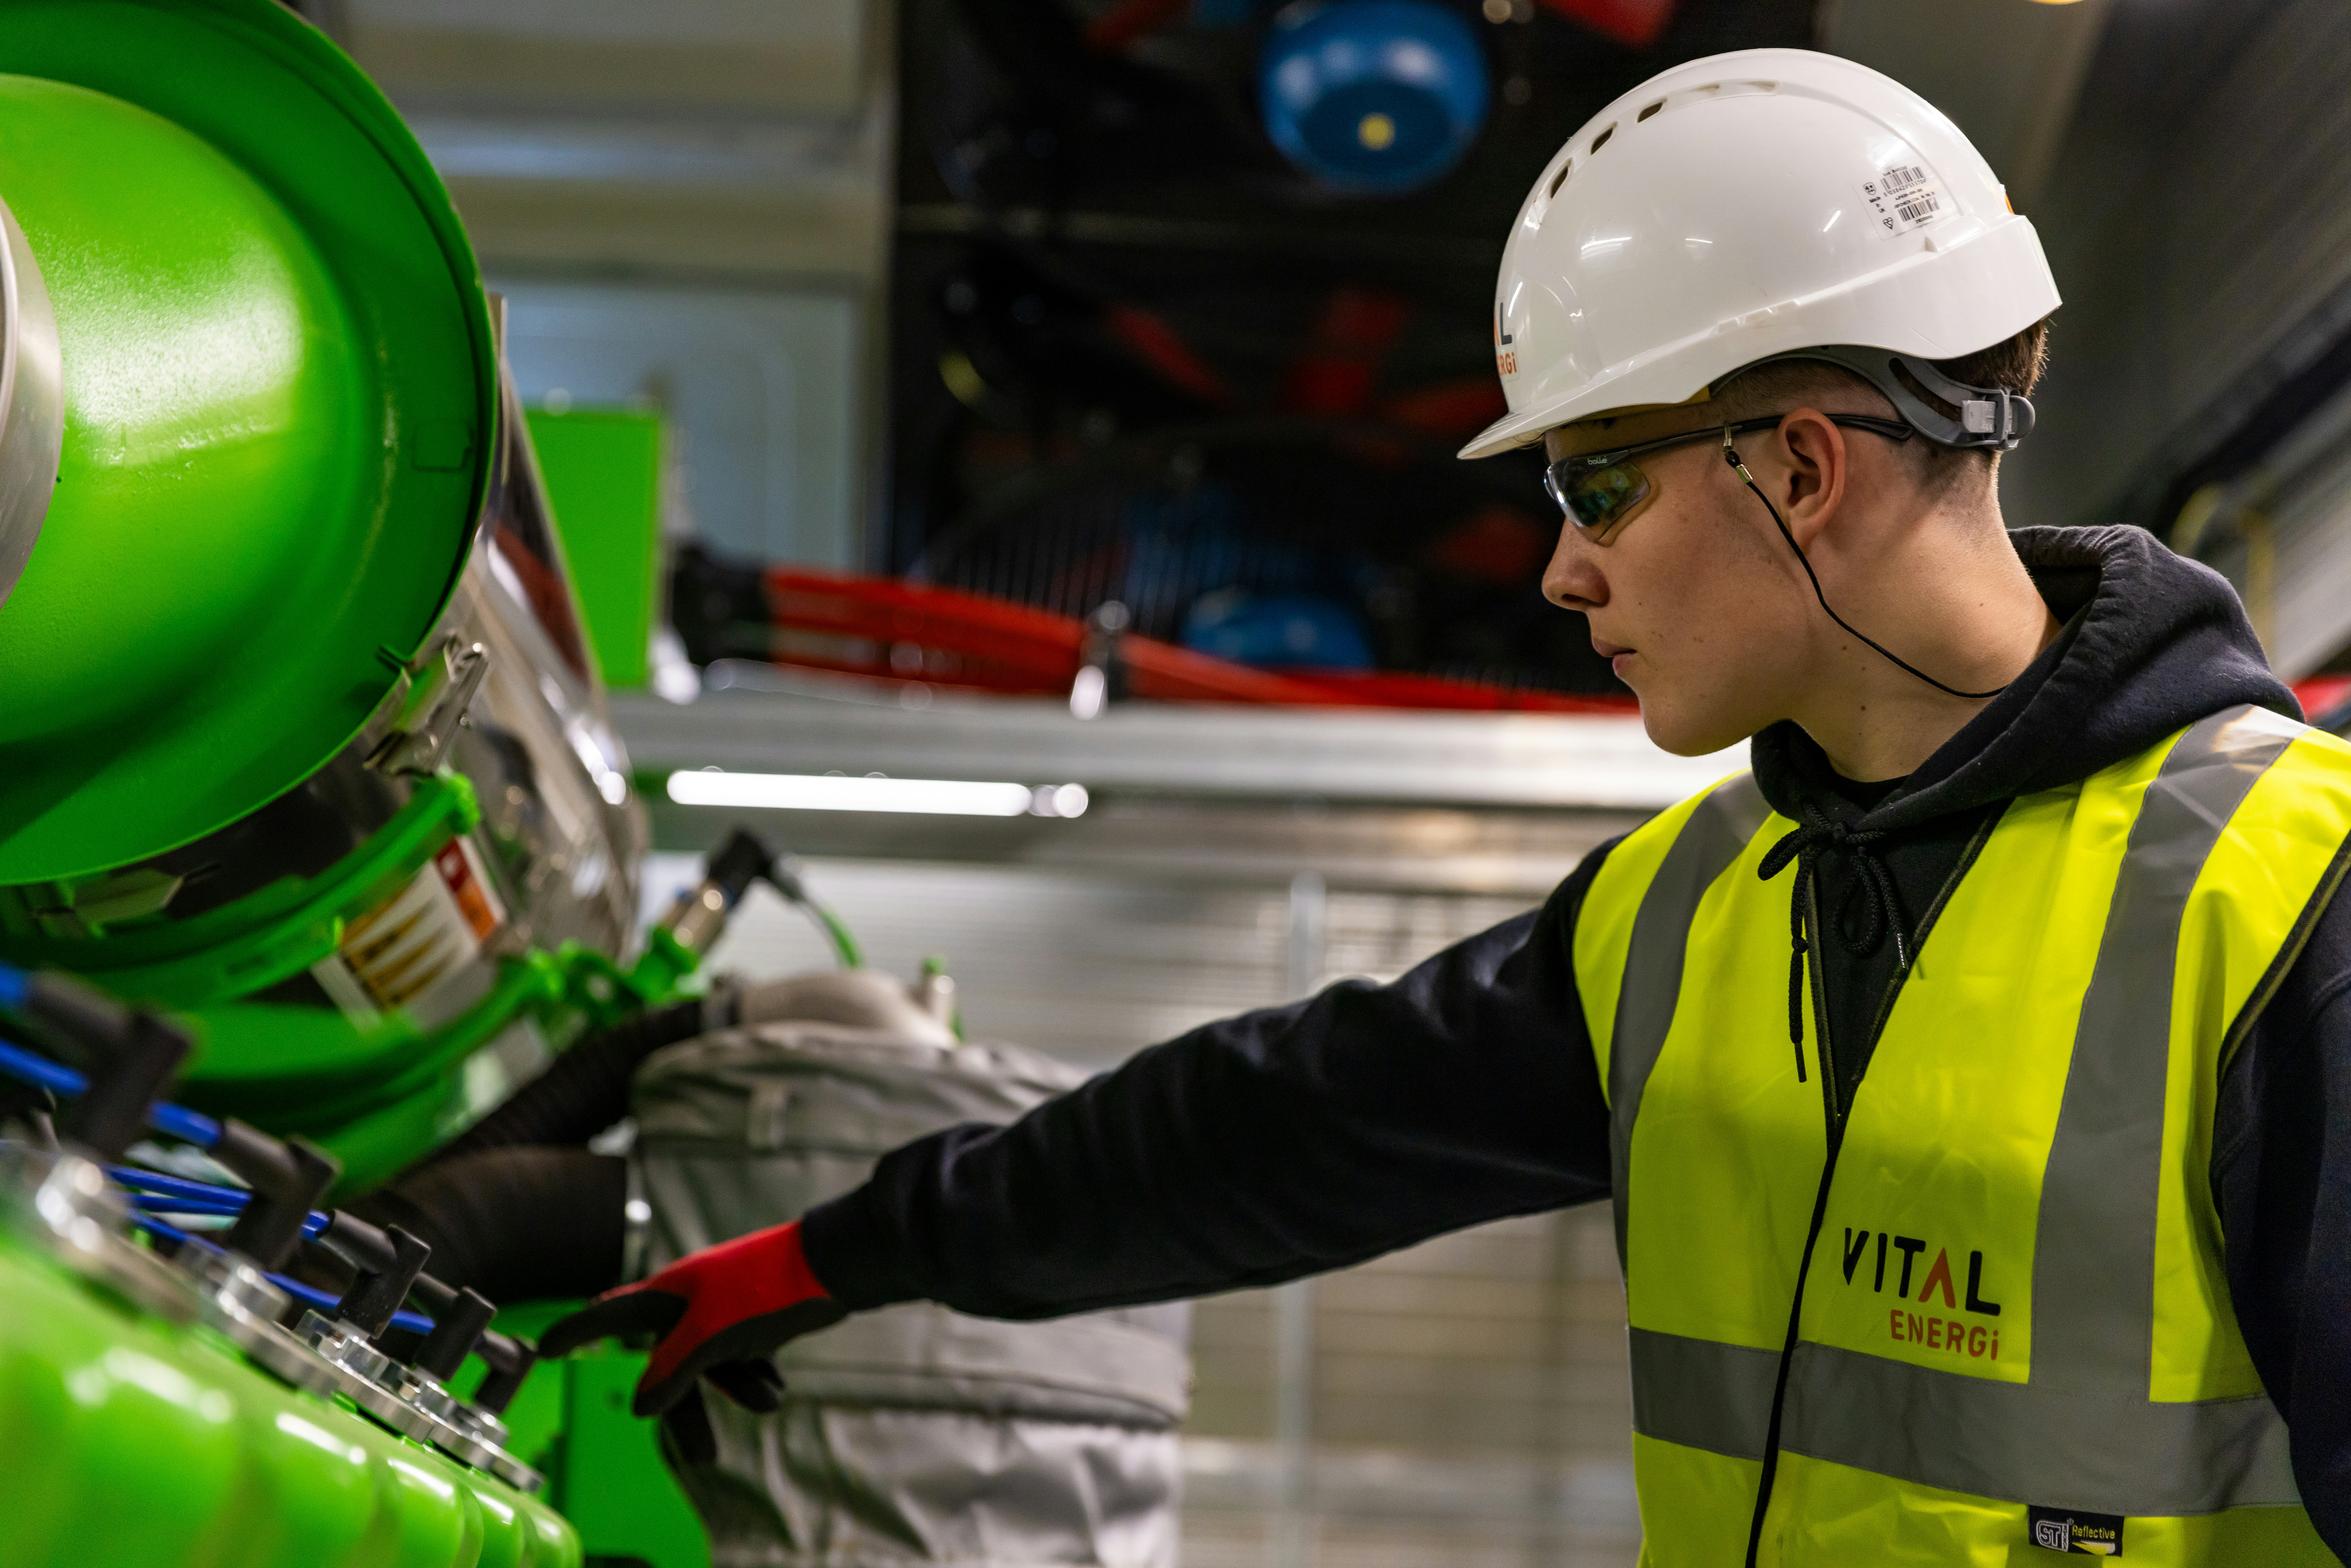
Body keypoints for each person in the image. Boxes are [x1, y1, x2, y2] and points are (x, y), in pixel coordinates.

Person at [543, 48, 2351, 1566]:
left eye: (1601, 485)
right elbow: (1268, 1130)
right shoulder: (1689, 912)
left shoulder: (2288, 913)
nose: (1562, 573)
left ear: (1801, 468)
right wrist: (841, 1248)